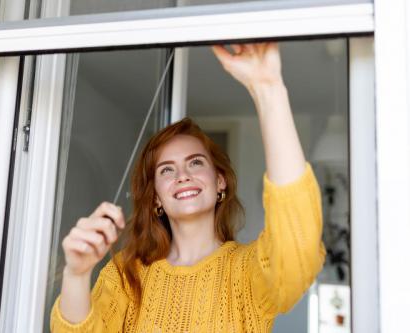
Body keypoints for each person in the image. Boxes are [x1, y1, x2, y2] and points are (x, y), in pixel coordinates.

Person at [50, 42, 326, 332]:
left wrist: (269, 90)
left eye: (195, 163)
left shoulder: (247, 272)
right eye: (166, 169)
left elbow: (298, 248)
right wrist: (77, 274)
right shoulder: (126, 274)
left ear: (219, 182)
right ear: (156, 197)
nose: (182, 175)